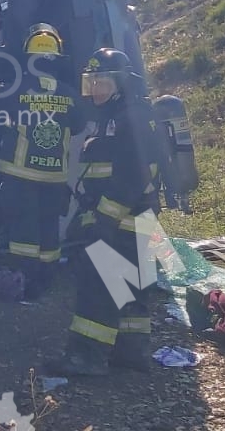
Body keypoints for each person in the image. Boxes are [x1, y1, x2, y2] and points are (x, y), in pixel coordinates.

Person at [52, 47, 172, 376]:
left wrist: (104, 216)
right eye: (91, 83)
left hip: (122, 218)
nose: (96, 91)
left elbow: (135, 173)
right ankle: (130, 353)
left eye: (103, 82)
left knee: (98, 284)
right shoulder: (121, 115)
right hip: (134, 219)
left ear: (122, 83)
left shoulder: (129, 116)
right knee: (130, 286)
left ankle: (85, 356)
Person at [0, 23, 84, 301]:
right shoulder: (69, 94)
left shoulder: (13, 89)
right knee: (48, 231)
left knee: (22, 235)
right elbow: (77, 126)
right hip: (54, 180)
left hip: (19, 177)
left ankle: (21, 284)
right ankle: (44, 281)